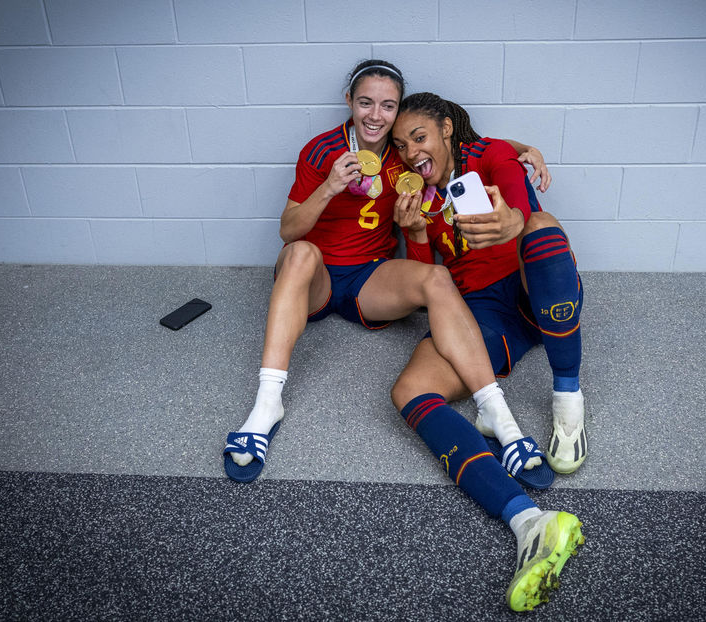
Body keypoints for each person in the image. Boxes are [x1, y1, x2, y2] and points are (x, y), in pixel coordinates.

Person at [223, 60, 555, 491]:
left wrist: (526, 147)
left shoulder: (403, 157)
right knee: (301, 252)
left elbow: (459, 141)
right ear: (349, 102)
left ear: (397, 111)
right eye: (365, 103)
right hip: (316, 278)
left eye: (387, 106)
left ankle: (498, 413)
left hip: (369, 281)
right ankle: (266, 406)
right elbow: (287, 231)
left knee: (437, 279)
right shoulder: (321, 150)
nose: (375, 115)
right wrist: (328, 187)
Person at [389, 91, 588, 611]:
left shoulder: (492, 156)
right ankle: (530, 522)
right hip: (482, 318)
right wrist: (413, 231)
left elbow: (523, 210)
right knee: (410, 389)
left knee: (544, 230)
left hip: (532, 289)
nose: (410, 151)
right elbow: (426, 277)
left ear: (448, 129)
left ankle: (569, 402)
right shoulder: (422, 196)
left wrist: (514, 223)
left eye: (419, 136)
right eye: (400, 144)